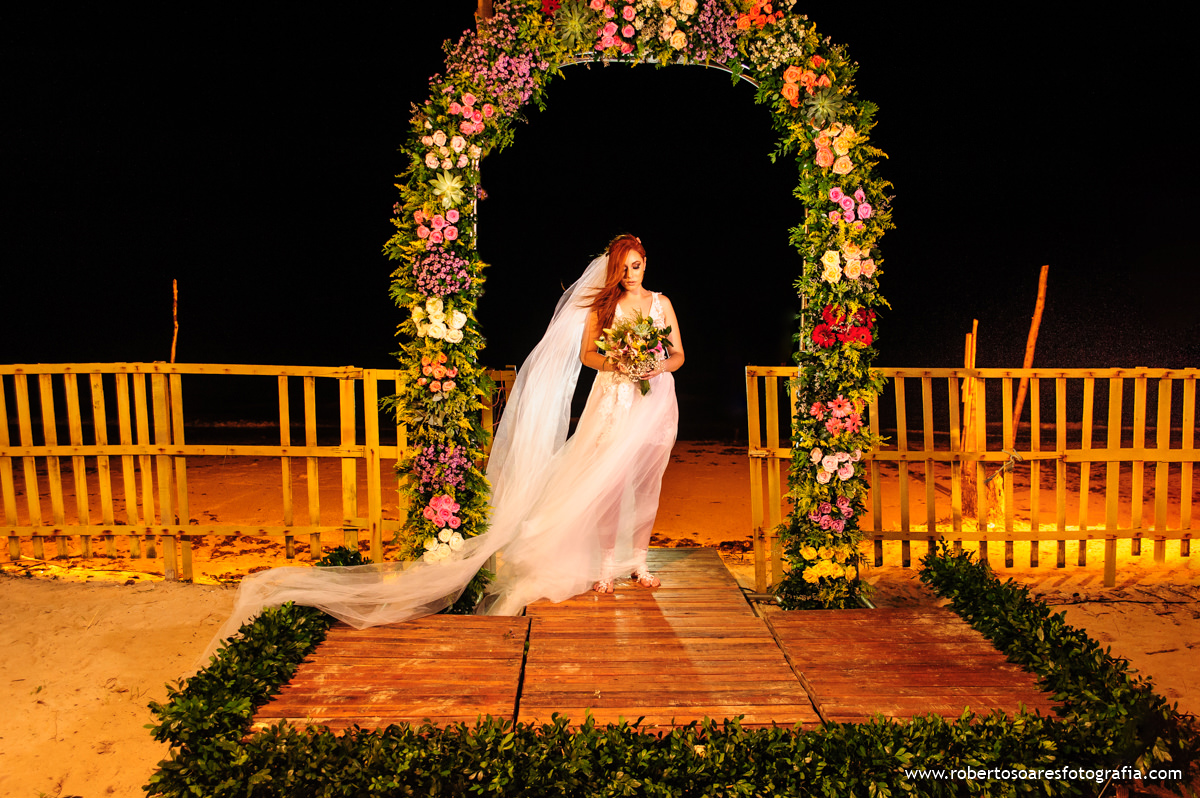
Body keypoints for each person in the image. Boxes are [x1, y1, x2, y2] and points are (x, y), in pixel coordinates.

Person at [202, 234, 682, 660]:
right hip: (614, 401)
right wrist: (619, 360)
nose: (633, 273)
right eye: (626, 266)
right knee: (606, 485)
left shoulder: (661, 304)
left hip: (655, 402)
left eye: (638, 264)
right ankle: (604, 567)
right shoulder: (607, 308)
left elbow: (678, 353)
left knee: (645, 481)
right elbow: (586, 355)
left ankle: (636, 564)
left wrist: (656, 365)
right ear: (615, 269)